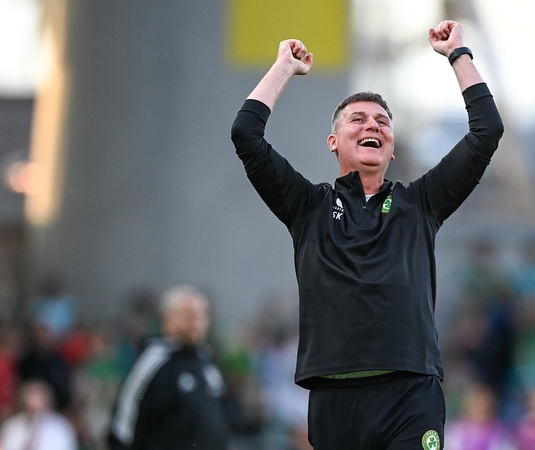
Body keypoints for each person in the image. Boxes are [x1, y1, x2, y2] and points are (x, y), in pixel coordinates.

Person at [231, 19, 503, 450]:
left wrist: (458, 54)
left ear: (392, 148)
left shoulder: (421, 203)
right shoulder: (308, 207)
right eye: (357, 119)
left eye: (382, 121)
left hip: (411, 393)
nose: (372, 126)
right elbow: (246, 134)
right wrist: (283, 66)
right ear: (333, 141)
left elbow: (487, 129)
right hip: (335, 398)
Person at [107, 284, 229, 450]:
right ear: (169, 318)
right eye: (189, 316)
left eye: (202, 316)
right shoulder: (154, 361)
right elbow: (124, 423)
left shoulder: (206, 362)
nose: (197, 323)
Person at [0, 379, 77, 450]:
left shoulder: (59, 425)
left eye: (38, 394)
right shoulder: (12, 425)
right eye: (31, 394)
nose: (34, 399)